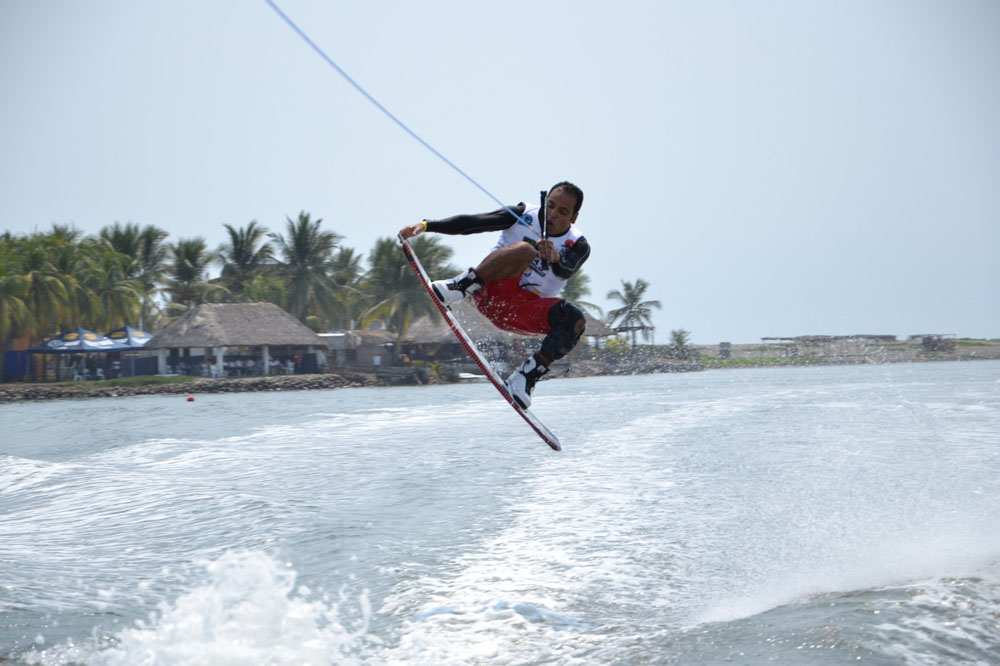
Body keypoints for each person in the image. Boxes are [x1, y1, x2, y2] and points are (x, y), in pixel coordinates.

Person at [399, 181, 590, 408]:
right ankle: (458, 288)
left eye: (562, 211)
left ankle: (526, 377)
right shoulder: (523, 213)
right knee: (526, 250)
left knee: (575, 320)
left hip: (519, 312)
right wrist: (428, 225)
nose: (552, 214)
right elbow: (474, 223)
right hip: (490, 290)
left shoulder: (578, 245)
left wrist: (556, 258)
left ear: (574, 217)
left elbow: (567, 267)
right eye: (550, 205)